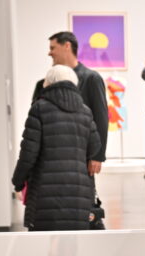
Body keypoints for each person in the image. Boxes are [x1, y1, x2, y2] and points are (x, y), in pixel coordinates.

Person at [11, 65, 101, 231]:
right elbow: (95, 147)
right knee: (74, 246)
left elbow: (28, 153)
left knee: (43, 246)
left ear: (48, 83)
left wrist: (18, 181)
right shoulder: (85, 111)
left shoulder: (39, 108)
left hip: (45, 193)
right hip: (78, 191)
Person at [41, 31, 109, 229]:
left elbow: (101, 118)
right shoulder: (50, 80)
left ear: (67, 46)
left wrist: (98, 155)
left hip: (83, 154)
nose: (49, 53)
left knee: (84, 202)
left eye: (53, 48)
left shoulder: (90, 78)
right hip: (57, 156)